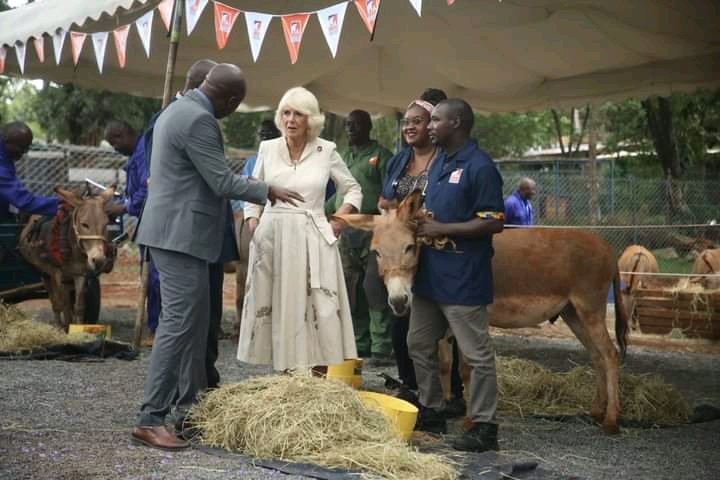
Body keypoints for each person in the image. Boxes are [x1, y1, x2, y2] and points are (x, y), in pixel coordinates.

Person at [132, 63, 302, 451]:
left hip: (173, 233)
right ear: (230, 100)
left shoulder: (177, 109)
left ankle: (187, 408)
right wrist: (267, 188)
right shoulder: (199, 120)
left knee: (191, 327)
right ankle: (150, 418)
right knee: (178, 326)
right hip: (181, 236)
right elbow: (221, 181)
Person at [237, 87, 362, 373]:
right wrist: (254, 224)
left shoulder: (326, 150)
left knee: (320, 308)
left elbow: (353, 190)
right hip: (272, 238)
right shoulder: (267, 149)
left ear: (312, 120)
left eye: (299, 114)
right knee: (278, 306)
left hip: (314, 236)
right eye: (286, 113)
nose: (291, 119)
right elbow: (252, 193)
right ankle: (285, 379)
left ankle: (316, 383)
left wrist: (339, 220)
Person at [409, 98, 505, 453]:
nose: (428, 125)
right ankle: (432, 411)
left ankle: (484, 427)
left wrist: (441, 226)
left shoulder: (480, 167)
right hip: (430, 276)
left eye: (435, 120)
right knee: (418, 343)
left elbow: (494, 221)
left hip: (463, 274)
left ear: (458, 123)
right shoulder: (439, 164)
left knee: (476, 355)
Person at [327, 110, 394, 364]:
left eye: (356, 124)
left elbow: (389, 195)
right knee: (351, 288)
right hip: (345, 230)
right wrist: (320, 212)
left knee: (374, 287)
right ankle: (360, 342)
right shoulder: (343, 156)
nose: (350, 128)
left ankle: (382, 346)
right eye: (347, 125)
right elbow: (338, 197)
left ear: (368, 127)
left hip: (373, 230)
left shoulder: (382, 156)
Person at [104, 120, 160, 345]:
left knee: (154, 278)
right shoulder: (136, 155)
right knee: (148, 276)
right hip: (146, 223)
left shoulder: (143, 154)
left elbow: (148, 190)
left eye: (114, 142)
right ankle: (156, 327)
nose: (114, 147)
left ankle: (158, 329)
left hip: (155, 223)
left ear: (123, 134)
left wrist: (124, 207)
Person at [0, 122, 59, 220]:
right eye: (22, 146)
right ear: (7, 141)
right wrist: (59, 203)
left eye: (27, 147)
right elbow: (24, 201)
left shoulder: (5, 156)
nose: (25, 151)